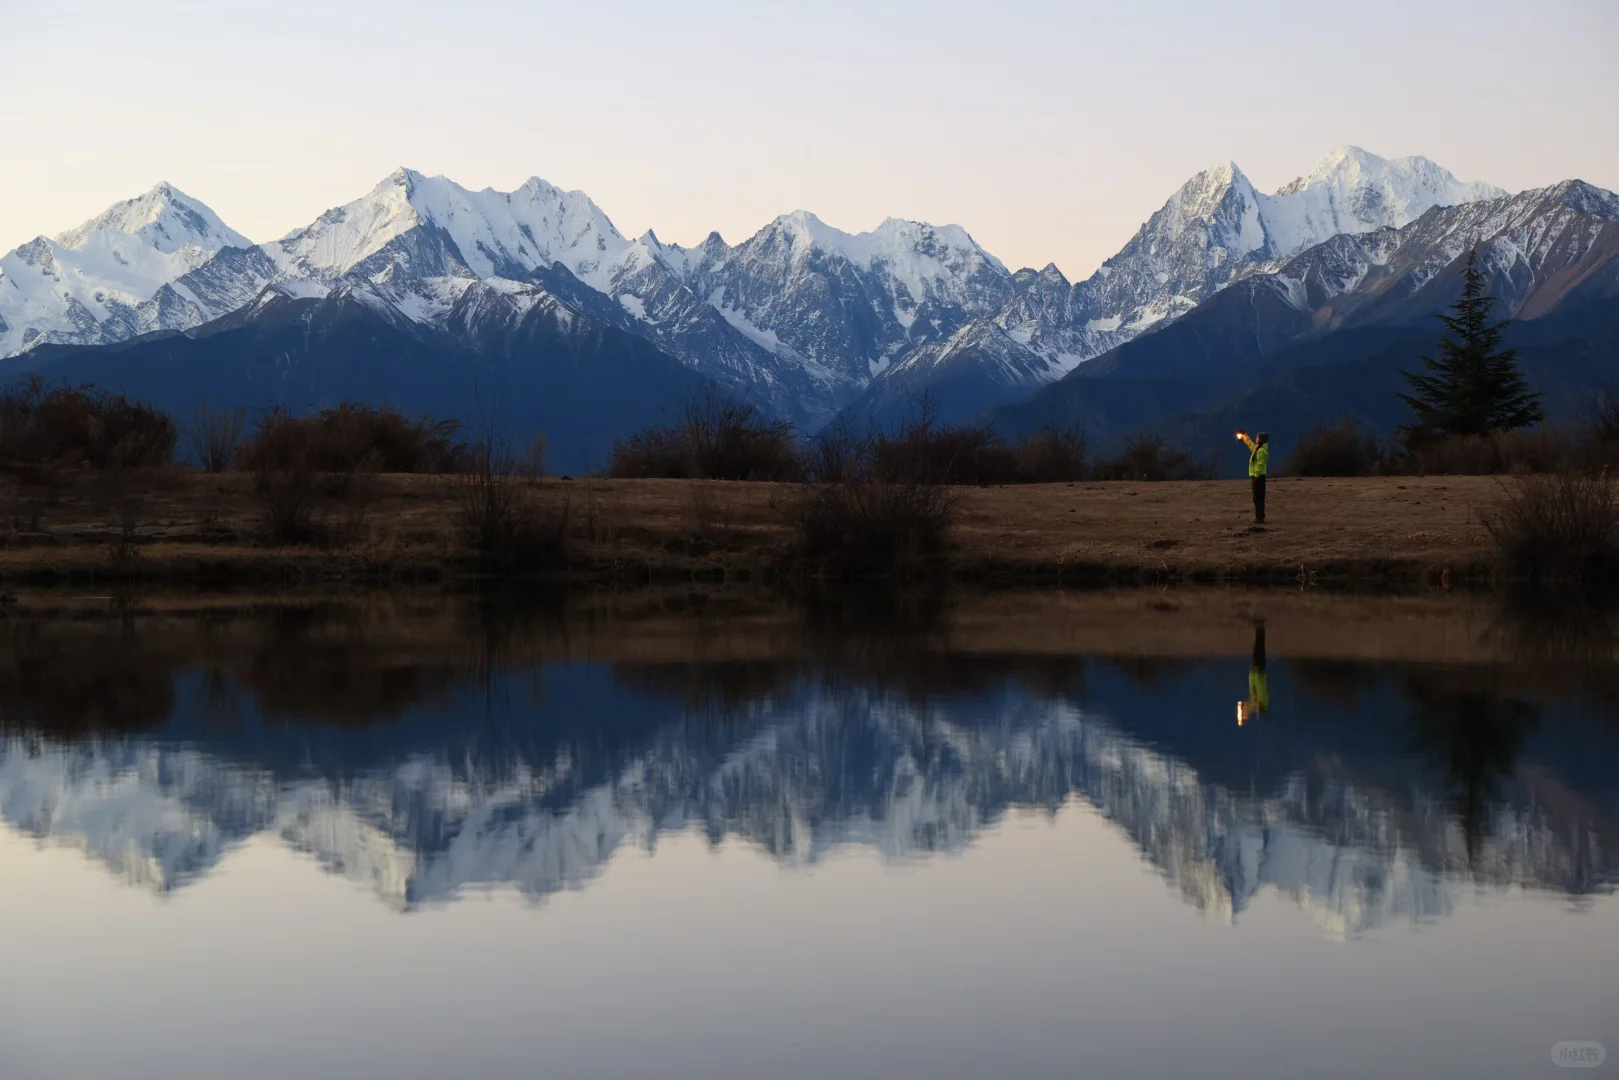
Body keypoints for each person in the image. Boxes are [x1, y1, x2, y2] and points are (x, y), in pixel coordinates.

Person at [1237, 622, 1269, 727]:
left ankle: (1259, 630)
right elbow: (1255, 700)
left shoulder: (1257, 701)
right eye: (1259, 711)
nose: (1257, 711)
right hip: (1259, 672)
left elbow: (1249, 705)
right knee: (1259, 650)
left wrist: (1244, 713)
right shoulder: (1262, 699)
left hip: (1255, 672)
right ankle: (1260, 629)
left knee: (1257, 650)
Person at [1236, 429, 1269, 524]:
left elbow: (1260, 465)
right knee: (1256, 498)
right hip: (1257, 477)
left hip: (1259, 477)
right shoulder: (1258, 449)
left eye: (1257, 438)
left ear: (1261, 439)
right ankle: (1259, 516)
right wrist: (1244, 435)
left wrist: (1256, 477)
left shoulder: (1261, 451)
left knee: (1258, 498)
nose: (1256, 439)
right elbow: (1250, 444)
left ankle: (1259, 518)